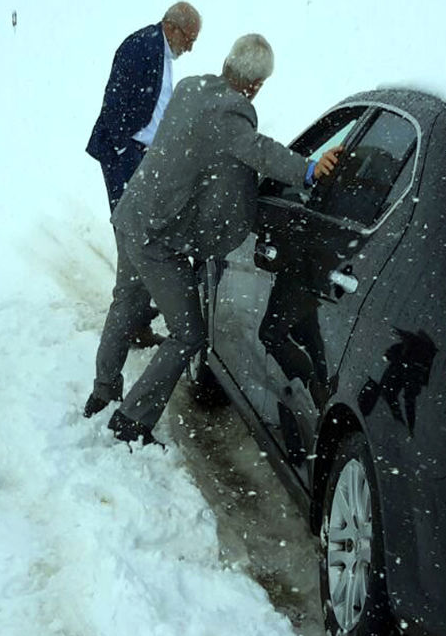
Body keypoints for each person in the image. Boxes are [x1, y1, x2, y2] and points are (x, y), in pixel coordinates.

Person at [83, 34, 341, 443]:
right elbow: (259, 151)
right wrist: (309, 171)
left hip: (132, 213)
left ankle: (102, 392)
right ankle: (131, 422)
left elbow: (212, 149)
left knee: (126, 301)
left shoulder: (192, 87)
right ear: (256, 85)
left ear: (227, 62)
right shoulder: (232, 113)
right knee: (189, 333)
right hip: (156, 237)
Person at [85, 2, 202, 348]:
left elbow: (156, 107)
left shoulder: (159, 50)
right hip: (126, 156)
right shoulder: (141, 47)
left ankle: (135, 319)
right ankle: (127, 323)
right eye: (190, 39)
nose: (191, 47)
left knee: (142, 237)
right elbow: (116, 103)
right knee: (134, 238)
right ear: (173, 27)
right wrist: (127, 152)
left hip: (140, 156)